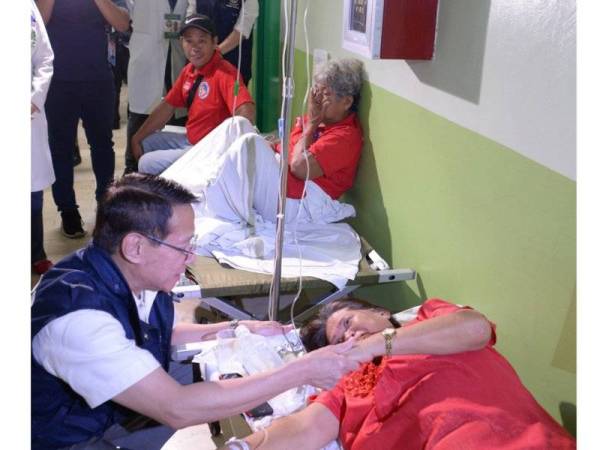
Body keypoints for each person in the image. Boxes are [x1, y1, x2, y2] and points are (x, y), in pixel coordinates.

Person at [31, 174, 365, 450]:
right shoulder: (77, 320)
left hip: (94, 410)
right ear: (136, 246)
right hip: (62, 438)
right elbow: (176, 408)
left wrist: (239, 328)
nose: (191, 258)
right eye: (184, 246)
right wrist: (301, 372)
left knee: (212, 369)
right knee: (196, 392)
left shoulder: (122, 272)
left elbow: (158, 332)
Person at [224, 298, 576, 450]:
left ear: (380, 311)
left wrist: (372, 347)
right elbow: (306, 427)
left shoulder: (432, 322)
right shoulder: (348, 384)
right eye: (338, 339)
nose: (348, 336)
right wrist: (246, 445)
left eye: (348, 322)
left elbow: (477, 329)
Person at [164, 57, 364, 225]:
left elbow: (298, 167)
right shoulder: (322, 121)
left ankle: (198, 197)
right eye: (316, 92)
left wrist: (310, 125)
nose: (317, 101)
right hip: (283, 182)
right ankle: (170, 185)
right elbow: (286, 146)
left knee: (249, 142)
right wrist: (271, 145)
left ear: (346, 102)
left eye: (325, 95)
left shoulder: (345, 137)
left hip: (300, 204)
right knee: (237, 124)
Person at [132, 14, 256, 175]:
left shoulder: (225, 73)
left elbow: (247, 112)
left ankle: (179, 190)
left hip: (208, 151)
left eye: (202, 41)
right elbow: (167, 107)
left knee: (146, 163)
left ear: (214, 42)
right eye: (189, 41)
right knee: (144, 142)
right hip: (191, 139)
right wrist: (136, 138)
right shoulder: (189, 71)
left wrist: (225, 148)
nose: (195, 48)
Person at [124, 0, 191, 174]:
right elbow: (125, 14)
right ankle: (132, 174)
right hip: (147, 57)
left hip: (179, 58)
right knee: (140, 119)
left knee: (176, 121)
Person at [31, 0, 55, 275]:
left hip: (27, 109)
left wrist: (35, 97)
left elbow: (44, 57)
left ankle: (35, 251)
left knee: (31, 192)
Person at [192, 0, 259, 84]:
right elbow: (191, 21)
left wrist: (215, 52)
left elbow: (242, 30)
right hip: (202, 61)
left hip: (234, 62)